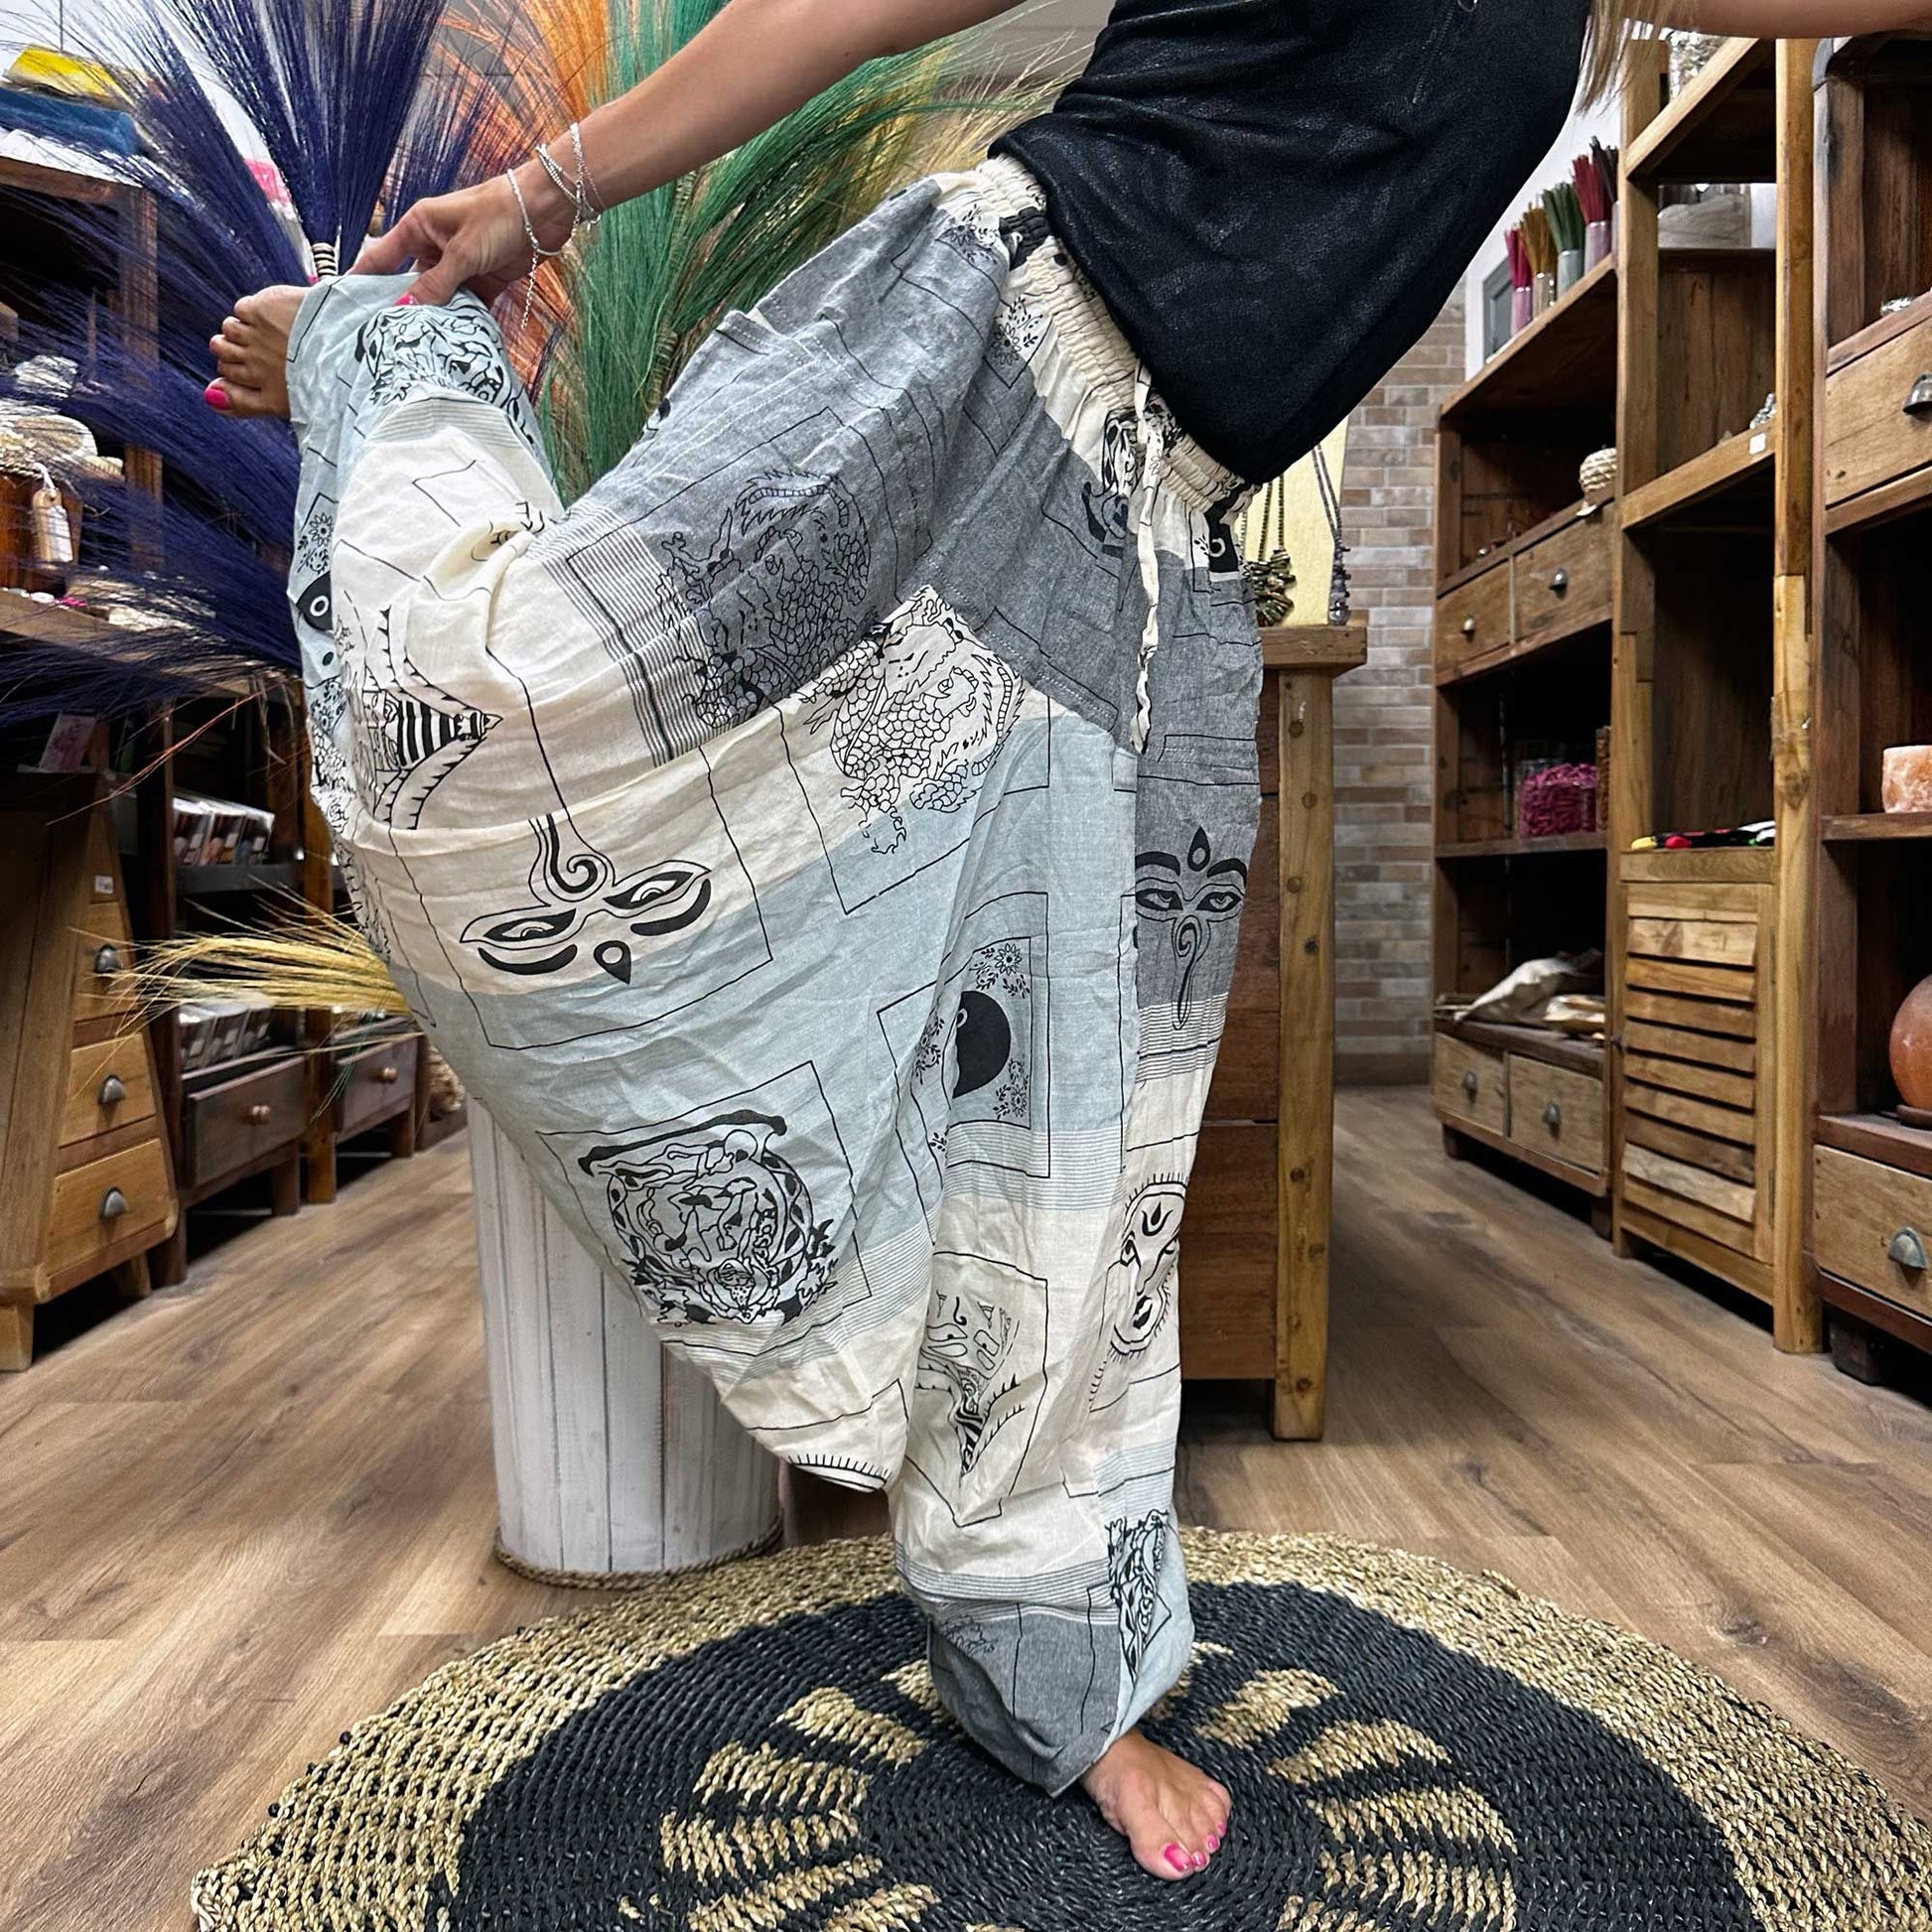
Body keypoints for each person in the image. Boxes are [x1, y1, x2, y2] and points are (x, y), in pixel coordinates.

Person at [203, 0, 1908, 1882]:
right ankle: (381, 357)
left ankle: (1059, 1670)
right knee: (493, 737)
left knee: (1073, 1157)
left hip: (1149, 536)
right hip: (966, 364)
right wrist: (535, 198)